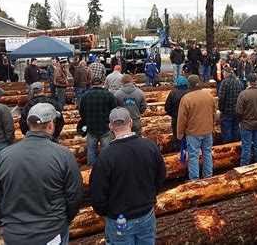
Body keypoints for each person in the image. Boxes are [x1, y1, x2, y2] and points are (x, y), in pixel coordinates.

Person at [0, 103, 83, 245]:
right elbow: (74, 195)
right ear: (51, 125)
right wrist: (64, 220)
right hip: (51, 233)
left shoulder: (4, 156)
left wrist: (3, 222)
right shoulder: (63, 155)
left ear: (28, 123)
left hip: (15, 233)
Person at [89, 107, 166, 244]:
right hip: (144, 214)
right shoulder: (149, 146)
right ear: (130, 123)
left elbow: (97, 193)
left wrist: (107, 211)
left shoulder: (106, 157)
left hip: (121, 219)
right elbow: (160, 176)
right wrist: (150, 195)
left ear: (110, 127)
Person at [177, 75, 216, 180]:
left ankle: (194, 180)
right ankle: (208, 176)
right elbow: (214, 114)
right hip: (207, 131)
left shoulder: (186, 99)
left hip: (193, 132)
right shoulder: (209, 96)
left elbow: (182, 119)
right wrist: (212, 127)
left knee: (193, 156)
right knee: (207, 153)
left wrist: (180, 134)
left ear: (189, 85)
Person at [80, 77, 117, 166]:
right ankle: (106, 167)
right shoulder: (109, 95)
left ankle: (91, 170)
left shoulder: (85, 96)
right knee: (106, 150)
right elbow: (114, 111)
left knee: (91, 150)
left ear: (91, 84)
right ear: (102, 83)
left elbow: (81, 112)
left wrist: (87, 121)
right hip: (105, 127)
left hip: (91, 127)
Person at [236, 73, 257, 166]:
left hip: (246, 124)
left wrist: (240, 120)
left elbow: (239, 111)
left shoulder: (243, 94)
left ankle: (244, 166)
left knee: (246, 146)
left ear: (248, 82)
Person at [218, 66, 243, 143]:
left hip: (227, 111)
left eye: (224, 73)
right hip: (237, 111)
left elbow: (221, 98)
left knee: (226, 131)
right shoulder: (239, 83)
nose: (223, 75)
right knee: (236, 129)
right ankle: (236, 146)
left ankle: (227, 147)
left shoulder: (225, 83)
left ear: (227, 73)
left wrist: (221, 109)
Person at [164, 76, 189, 147]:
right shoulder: (190, 92)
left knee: (177, 136)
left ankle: (179, 151)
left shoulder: (173, 93)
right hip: (189, 118)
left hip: (176, 118)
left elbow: (167, 107)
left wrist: (172, 114)